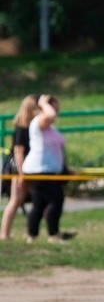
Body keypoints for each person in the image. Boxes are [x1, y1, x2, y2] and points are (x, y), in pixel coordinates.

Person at [21, 94, 68, 244]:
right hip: (40, 170)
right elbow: (50, 114)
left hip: (49, 169)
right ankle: (53, 234)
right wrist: (43, 103)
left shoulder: (50, 127)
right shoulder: (39, 122)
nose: (56, 111)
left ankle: (32, 235)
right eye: (53, 107)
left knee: (39, 204)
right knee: (56, 200)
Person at [0, 95, 39, 240]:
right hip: (19, 167)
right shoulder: (22, 128)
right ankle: (4, 234)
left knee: (41, 199)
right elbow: (18, 151)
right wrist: (22, 173)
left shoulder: (32, 127)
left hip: (29, 166)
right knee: (15, 200)